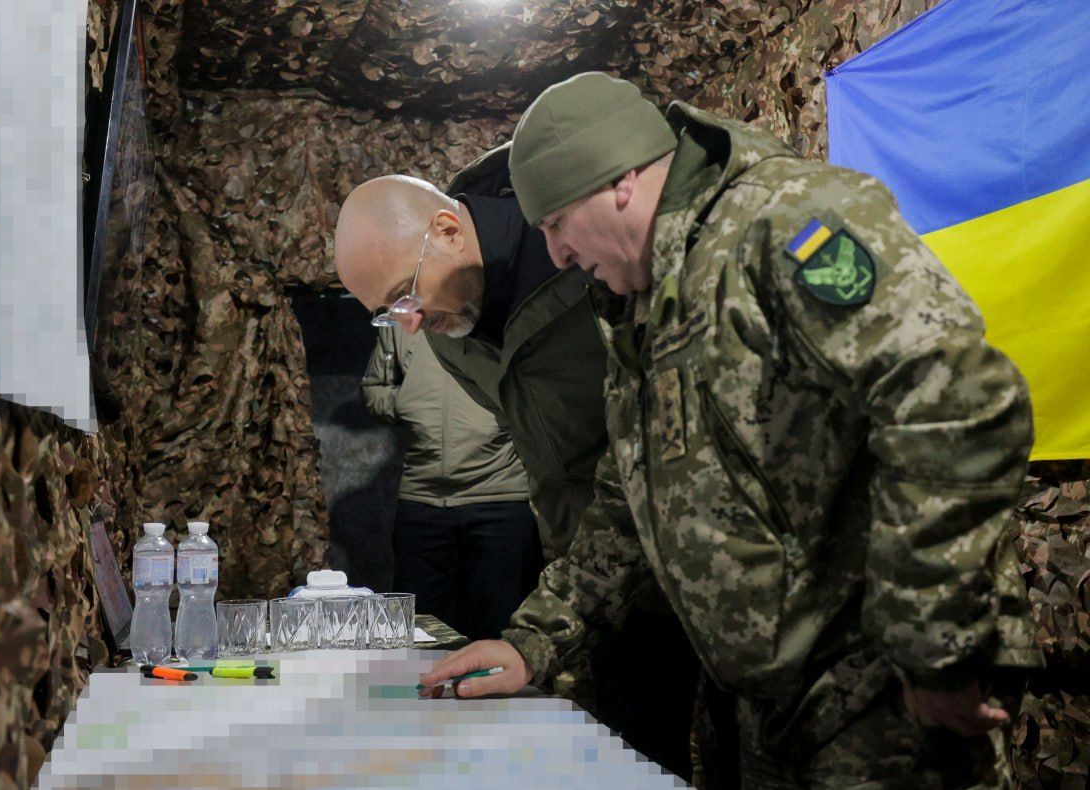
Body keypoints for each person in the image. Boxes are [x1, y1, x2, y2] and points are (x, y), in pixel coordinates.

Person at [419, 71, 1040, 788]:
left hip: (879, 688)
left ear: (618, 182)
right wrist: (532, 642)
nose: (555, 254)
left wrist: (937, 644)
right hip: (761, 699)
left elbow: (956, 402)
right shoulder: (639, 299)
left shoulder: (783, 221)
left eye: (556, 224)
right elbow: (629, 499)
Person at [335, 166, 700, 778]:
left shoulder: (582, 256)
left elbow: (639, 458)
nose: (411, 324)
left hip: (678, 555)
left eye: (405, 294)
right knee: (617, 755)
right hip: (590, 573)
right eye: (388, 312)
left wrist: (542, 630)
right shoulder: (447, 323)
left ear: (448, 231)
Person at [361, 325, 542, 640]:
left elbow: (547, 385)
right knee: (417, 634)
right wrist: (407, 401)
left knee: (500, 633)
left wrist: (509, 411)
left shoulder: (505, 313)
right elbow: (374, 388)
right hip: (422, 501)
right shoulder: (403, 320)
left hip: (500, 499)